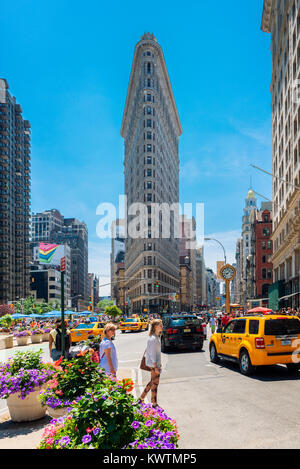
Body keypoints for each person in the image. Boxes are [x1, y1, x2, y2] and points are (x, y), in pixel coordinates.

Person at [139, 319, 163, 408]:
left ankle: (142, 398)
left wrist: (159, 364)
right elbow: (152, 354)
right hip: (154, 365)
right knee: (155, 383)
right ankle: (153, 402)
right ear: (155, 326)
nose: (162, 326)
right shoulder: (153, 339)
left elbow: (157, 353)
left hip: (156, 364)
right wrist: (156, 366)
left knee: (153, 382)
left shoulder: (156, 337)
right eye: (160, 325)